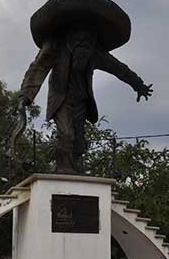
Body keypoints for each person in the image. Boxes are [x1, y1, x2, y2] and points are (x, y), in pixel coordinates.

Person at [19, 24, 152, 173]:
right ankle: (63, 171)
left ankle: (73, 172)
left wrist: (138, 85)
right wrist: (26, 95)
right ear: (69, 36)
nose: (83, 42)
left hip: (81, 101)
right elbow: (38, 68)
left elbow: (119, 69)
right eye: (78, 38)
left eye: (87, 38)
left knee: (78, 144)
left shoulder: (95, 52)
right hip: (62, 100)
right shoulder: (56, 46)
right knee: (66, 134)